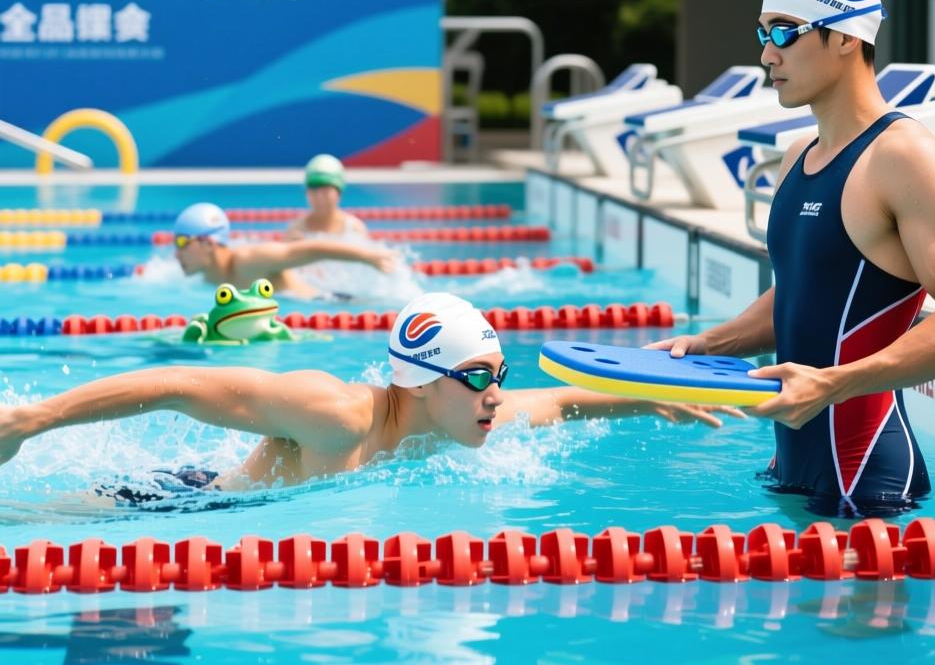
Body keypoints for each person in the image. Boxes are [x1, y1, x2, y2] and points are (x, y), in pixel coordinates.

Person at [650, 0, 935, 515]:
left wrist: (833, 383)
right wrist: (705, 345)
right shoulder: (798, 156)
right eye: (762, 33)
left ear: (844, 36)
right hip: (791, 471)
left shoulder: (909, 159)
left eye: (785, 33)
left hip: (869, 483)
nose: (767, 54)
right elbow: (804, 289)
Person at [0, 293, 740, 494]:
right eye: (480, 377)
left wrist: (649, 394)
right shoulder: (334, 413)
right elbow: (180, 382)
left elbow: (564, 402)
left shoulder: (462, 414)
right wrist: (36, 418)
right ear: (421, 382)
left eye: (499, 377)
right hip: (176, 502)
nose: (497, 396)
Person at [172, 201, 397, 298]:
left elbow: (310, 249)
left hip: (325, 302)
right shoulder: (209, 279)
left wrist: (367, 256)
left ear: (208, 243)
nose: (176, 253)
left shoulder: (247, 260)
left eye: (182, 243)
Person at [286, 154, 369, 239]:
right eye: (314, 190)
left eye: (325, 191)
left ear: (339, 193)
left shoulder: (355, 230)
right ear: (306, 193)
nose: (319, 197)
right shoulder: (296, 230)